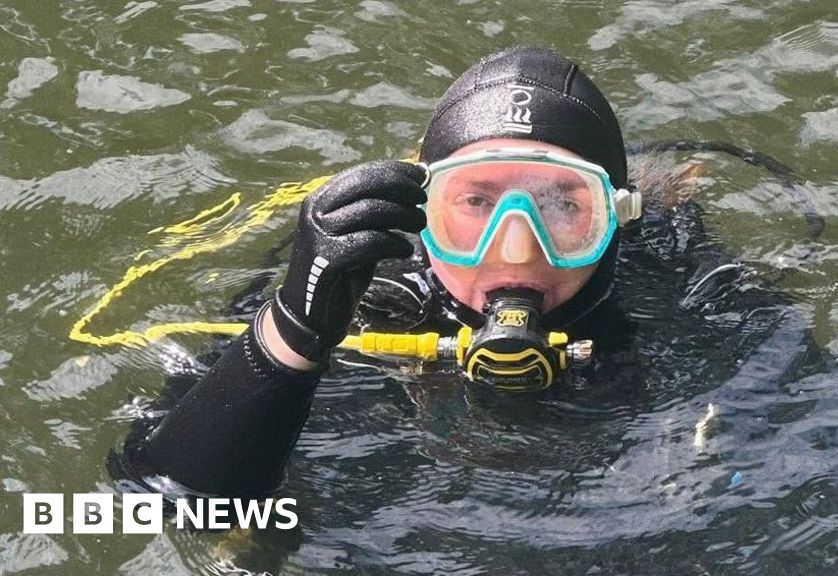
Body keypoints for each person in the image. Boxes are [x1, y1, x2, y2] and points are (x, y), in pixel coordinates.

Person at [111, 46, 797, 501]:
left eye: (565, 205)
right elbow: (157, 501)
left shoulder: (683, 293)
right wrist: (290, 334)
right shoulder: (353, 283)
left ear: (616, 214)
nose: (518, 250)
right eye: (476, 203)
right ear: (426, 210)